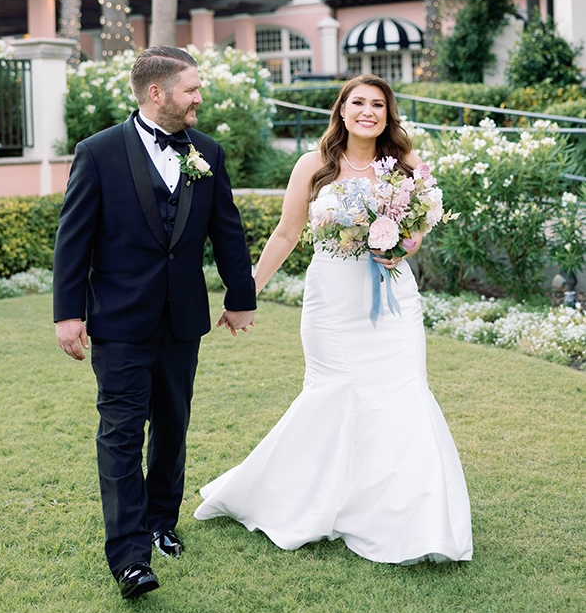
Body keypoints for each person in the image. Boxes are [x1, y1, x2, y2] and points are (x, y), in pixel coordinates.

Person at [196, 74, 473, 565]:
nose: (368, 111)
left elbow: (420, 228)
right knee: (333, 395)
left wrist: (401, 246)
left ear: (388, 116)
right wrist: (246, 293)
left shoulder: (404, 164)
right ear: (342, 111)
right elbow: (285, 233)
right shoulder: (313, 164)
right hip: (332, 300)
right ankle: (301, 497)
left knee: (404, 392)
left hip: (394, 300)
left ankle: (406, 515)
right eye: (358, 103)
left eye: (378, 105)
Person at [53, 46, 256, 600]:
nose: (199, 98)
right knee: (120, 435)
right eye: (191, 89)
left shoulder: (206, 152)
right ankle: (129, 558)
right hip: (118, 323)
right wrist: (68, 313)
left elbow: (227, 231)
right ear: (156, 94)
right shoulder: (97, 153)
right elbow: (73, 240)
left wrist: (242, 297)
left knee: (171, 425)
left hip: (182, 320)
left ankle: (163, 521)